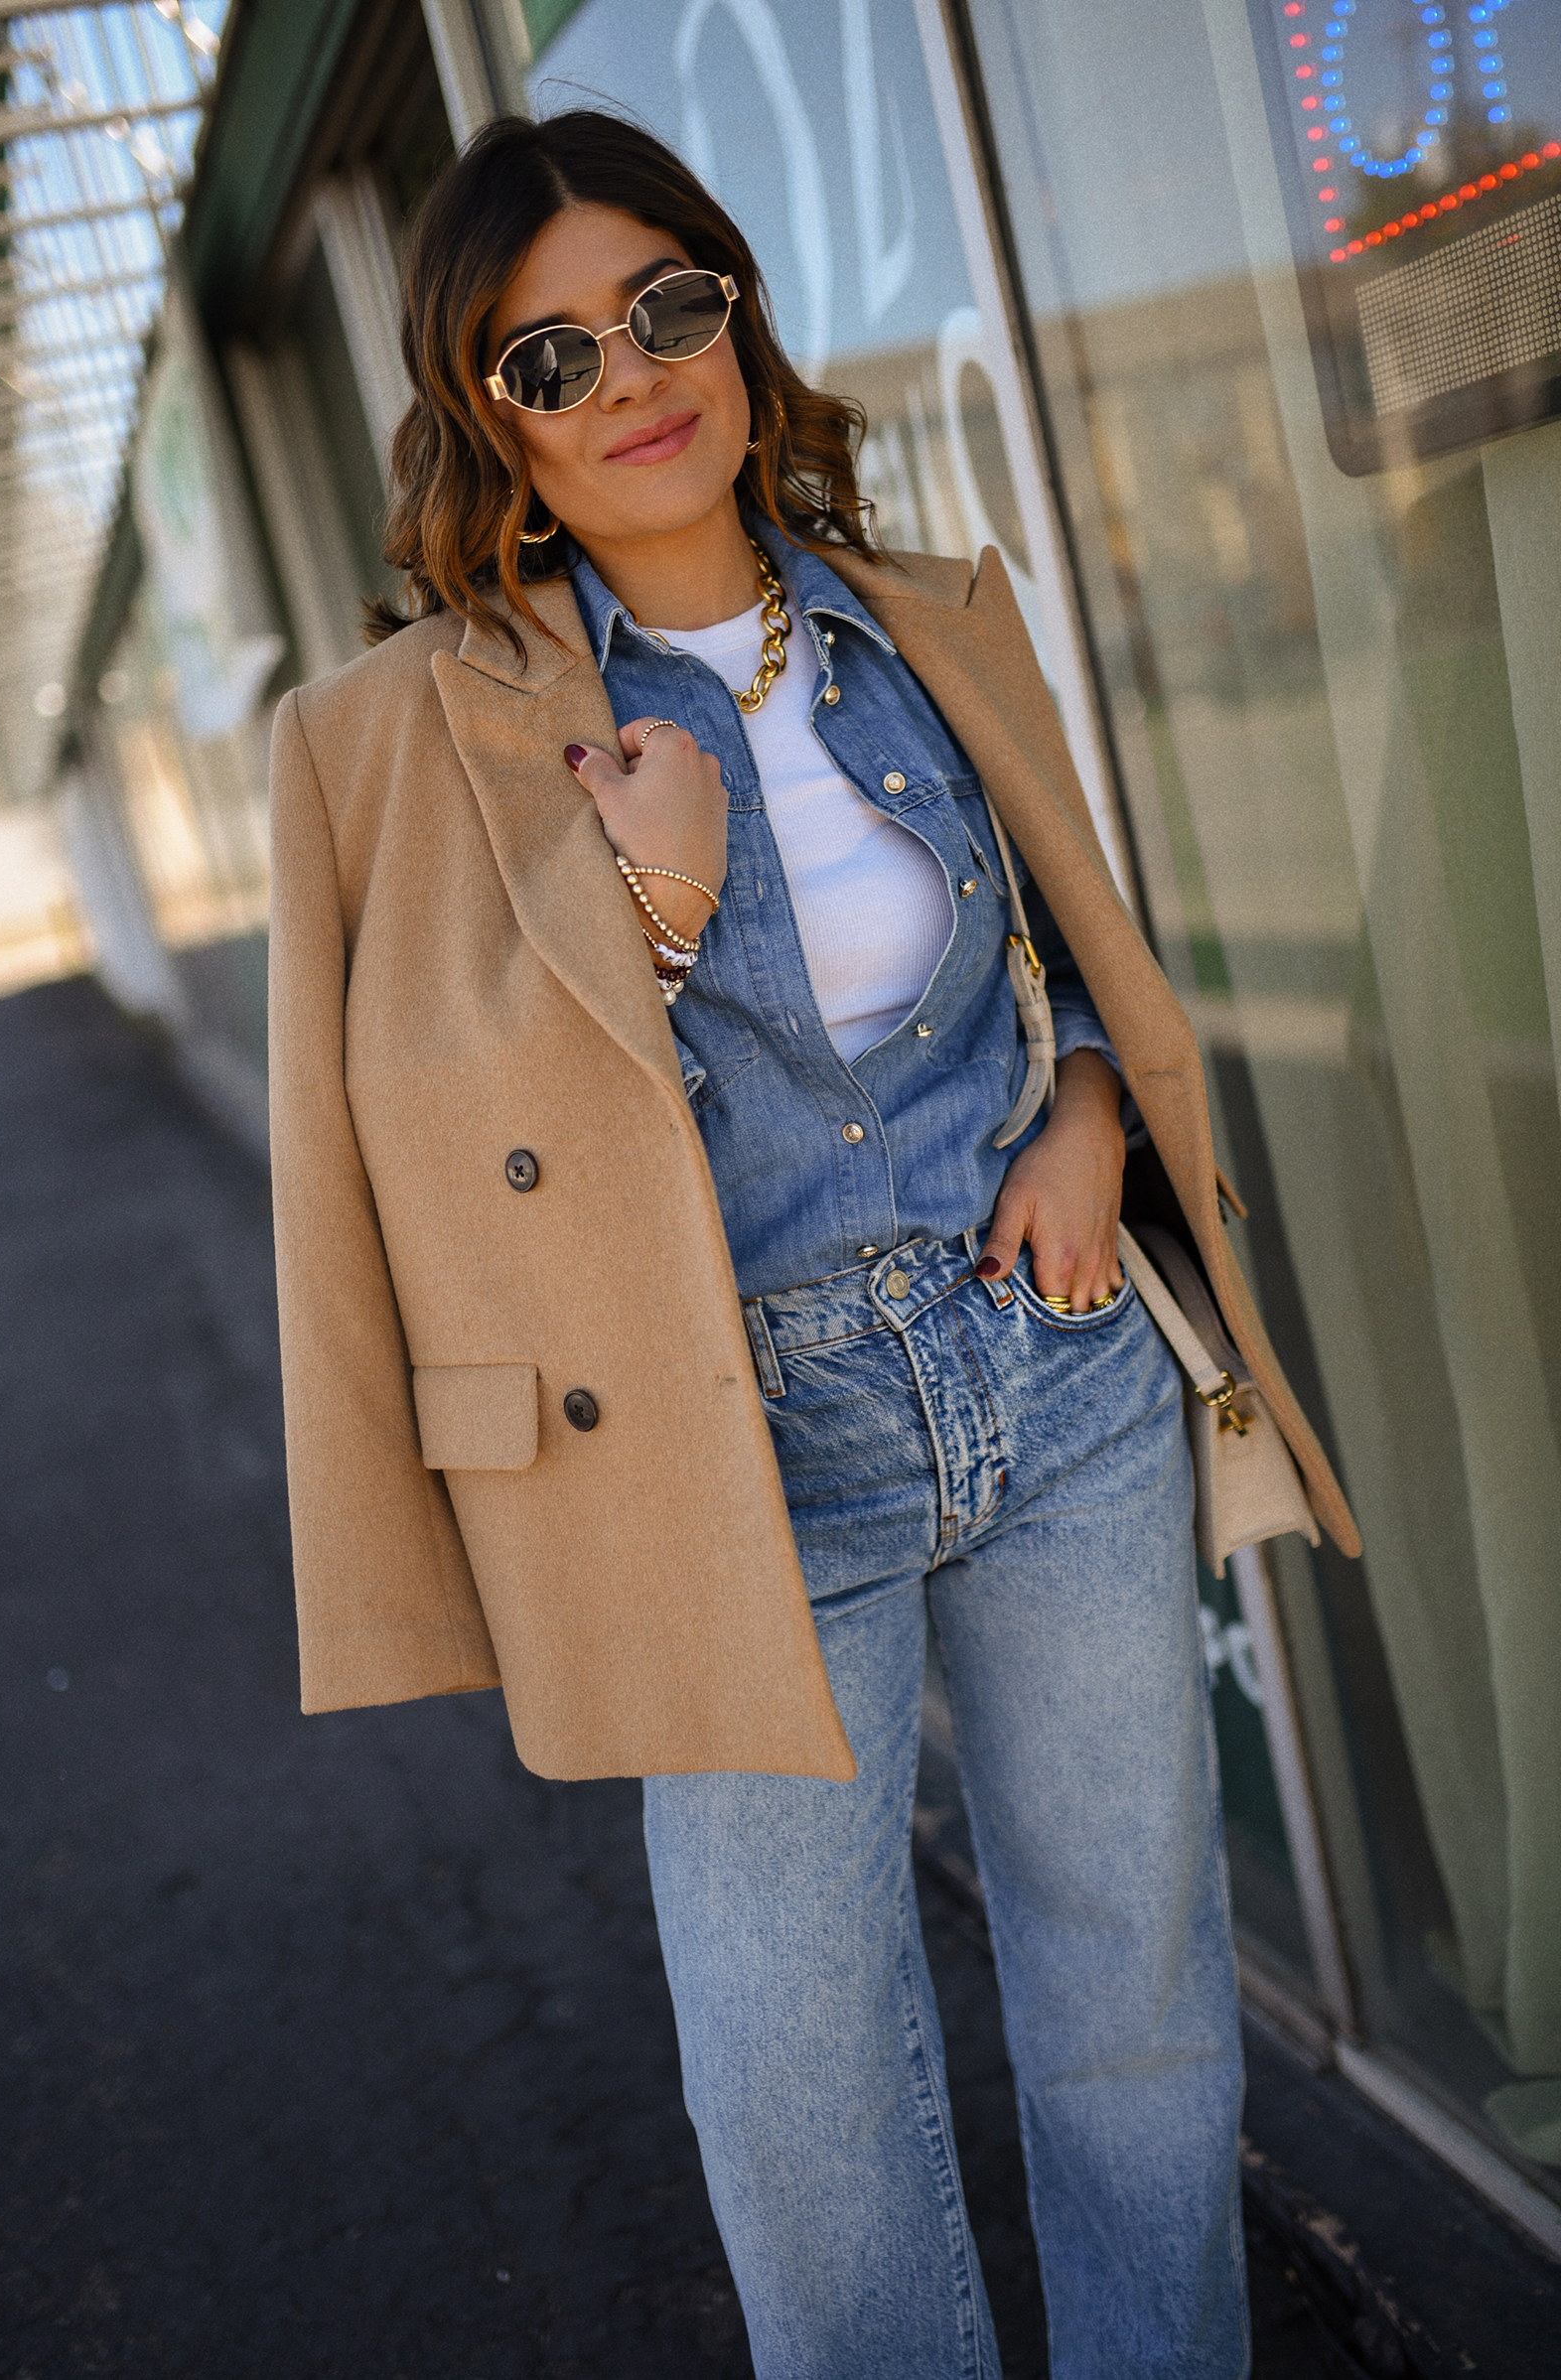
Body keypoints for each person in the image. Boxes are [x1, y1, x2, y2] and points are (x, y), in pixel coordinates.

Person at [267, 109, 1356, 2380]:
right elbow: (414, 1146)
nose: (630, 373)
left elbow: (1071, 963)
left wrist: (1070, 1117)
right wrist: (642, 906)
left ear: (737, 311)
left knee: (1131, 2001)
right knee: (798, 2097)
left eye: (666, 304)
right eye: (547, 353)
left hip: (1043, 1368)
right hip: (724, 1444)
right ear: (489, 420)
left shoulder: (935, 615)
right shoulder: (389, 740)